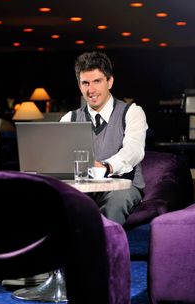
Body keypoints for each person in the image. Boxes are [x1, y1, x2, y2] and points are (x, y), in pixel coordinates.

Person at [60, 51, 148, 225]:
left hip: (122, 187)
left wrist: (106, 166)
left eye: (97, 81)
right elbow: (59, 158)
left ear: (110, 82)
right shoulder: (69, 118)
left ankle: (102, 251)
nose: (91, 90)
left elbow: (134, 151)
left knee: (116, 200)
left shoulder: (132, 112)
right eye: (85, 83)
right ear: (79, 86)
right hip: (82, 189)